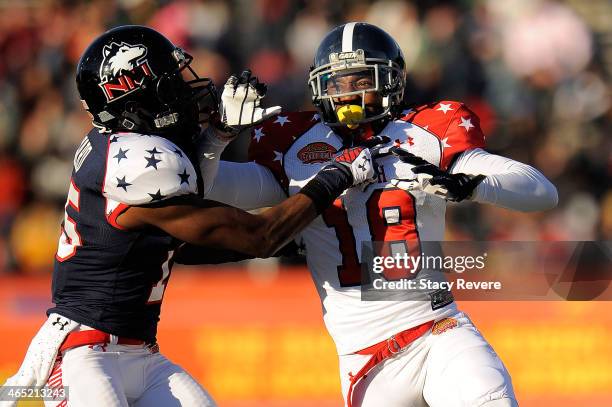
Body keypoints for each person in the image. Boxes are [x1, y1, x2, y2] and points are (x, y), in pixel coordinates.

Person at [1, 25, 381, 407]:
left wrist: (219, 135)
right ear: (136, 101)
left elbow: (188, 241)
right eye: (171, 84)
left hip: (138, 353)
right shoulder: (135, 165)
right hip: (81, 352)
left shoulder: (124, 149)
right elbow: (257, 235)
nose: (185, 92)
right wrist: (335, 176)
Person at [206, 22, 559, 407]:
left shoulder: (424, 134)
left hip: (438, 332)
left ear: (390, 80)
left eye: (360, 79)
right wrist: (217, 136)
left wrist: (471, 184)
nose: (347, 94)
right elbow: (207, 187)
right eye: (336, 84)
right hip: (365, 360)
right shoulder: (296, 147)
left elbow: (541, 192)